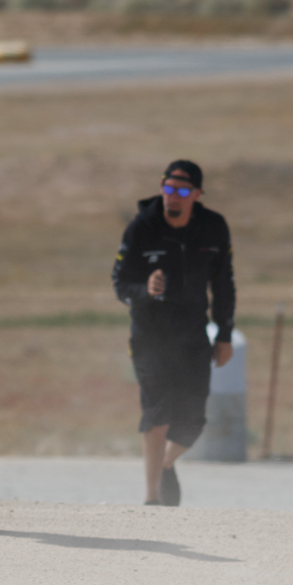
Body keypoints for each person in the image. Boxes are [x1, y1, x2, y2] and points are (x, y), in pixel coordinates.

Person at [111, 159, 236, 505]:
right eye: (168, 187)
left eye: (182, 190)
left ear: (196, 194)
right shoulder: (141, 228)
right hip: (149, 337)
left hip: (194, 336)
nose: (173, 196)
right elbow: (120, 283)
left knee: (192, 422)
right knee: (157, 414)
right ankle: (152, 498)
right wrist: (144, 289)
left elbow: (224, 285)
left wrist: (224, 335)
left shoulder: (213, 228)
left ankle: (164, 464)